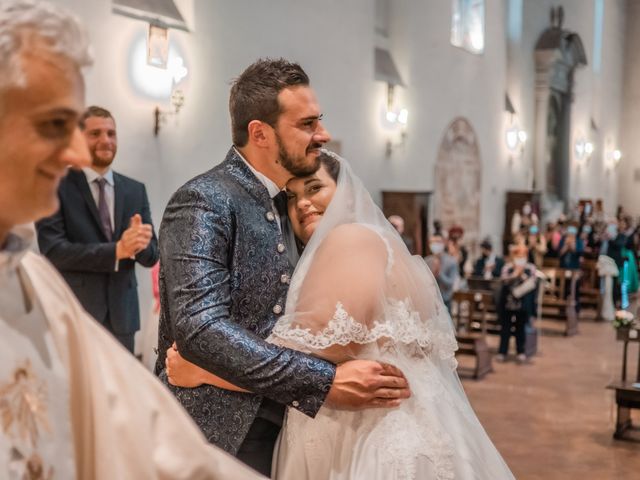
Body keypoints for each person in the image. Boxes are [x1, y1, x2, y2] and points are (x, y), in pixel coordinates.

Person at [0, 1, 265, 478]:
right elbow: (58, 248)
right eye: (53, 125)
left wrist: (140, 246)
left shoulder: (33, 284)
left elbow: (145, 428)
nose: (78, 152)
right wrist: (113, 251)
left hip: (119, 312)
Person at [167, 152, 515, 479]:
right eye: (291, 197)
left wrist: (205, 370)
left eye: (315, 188)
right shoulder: (376, 244)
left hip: (368, 437)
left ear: (346, 193)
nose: (303, 203)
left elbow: (312, 353)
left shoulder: (349, 239)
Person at [155, 58, 410, 476]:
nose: (323, 135)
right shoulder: (205, 199)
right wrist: (323, 382)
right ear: (260, 133)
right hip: (220, 432)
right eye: (307, 124)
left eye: (319, 121)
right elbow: (200, 329)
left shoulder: (294, 208)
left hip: (292, 428)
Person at [36, 106, 158, 352]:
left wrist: (141, 244)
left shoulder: (135, 190)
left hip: (123, 317)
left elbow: (152, 256)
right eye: (95, 134)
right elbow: (53, 251)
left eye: (111, 134)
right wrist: (116, 251)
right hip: (76, 313)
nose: (106, 140)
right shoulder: (55, 186)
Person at [497, 244, 537, 364]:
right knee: (505, 328)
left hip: (523, 304)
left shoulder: (530, 268)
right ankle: (502, 352)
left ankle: (521, 351)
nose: (520, 259)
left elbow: (533, 283)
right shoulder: (507, 267)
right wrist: (514, 274)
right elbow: (503, 280)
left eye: (522, 256)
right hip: (508, 303)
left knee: (520, 328)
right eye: (518, 256)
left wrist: (522, 274)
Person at [425, 233, 459, 311]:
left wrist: (439, 273)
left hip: (445, 300)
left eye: (438, 242)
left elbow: (450, 283)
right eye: (432, 242)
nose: (435, 245)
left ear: (443, 243)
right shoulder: (426, 261)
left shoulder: (451, 261)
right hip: (430, 301)